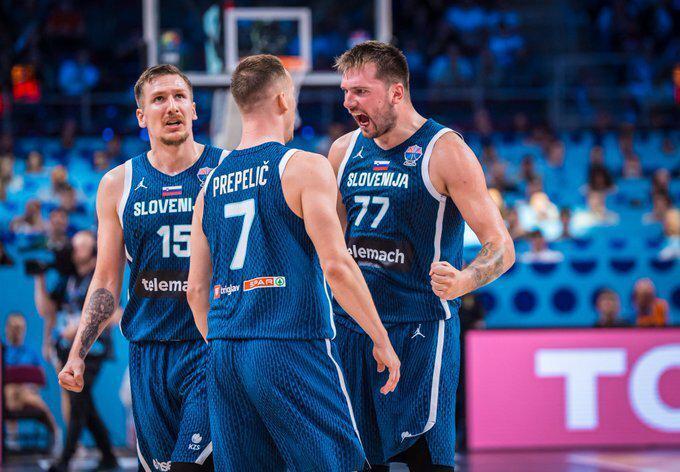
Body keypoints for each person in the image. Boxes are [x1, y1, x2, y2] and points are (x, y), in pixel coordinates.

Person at [187, 54, 400, 471]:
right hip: (289, 342)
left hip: (225, 350)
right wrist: (381, 338)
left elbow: (195, 290)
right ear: (284, 100)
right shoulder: (303, 166)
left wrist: (226, 343)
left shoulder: (209, 184)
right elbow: (337, 266)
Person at [329, 41, 514, 470]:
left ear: (396, 92)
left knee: (426, 461)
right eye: (346, 92)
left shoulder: (445, 150)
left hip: (421, 328)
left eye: (360, 91)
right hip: (354, 329)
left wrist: (464, 280)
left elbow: (502, 246)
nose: (348, 102)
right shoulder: (342, 151)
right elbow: (331, 248)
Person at [57, 64, 220, 471]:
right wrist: (78, 353)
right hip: (148, 353)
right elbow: (106, 280)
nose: (172, 106)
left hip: (209, 346)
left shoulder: (225, 170)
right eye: (159, 99)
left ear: (194, 109)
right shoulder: (118, 183)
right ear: (142, 116)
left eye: (180, 97)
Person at [33, 231, 117, 471]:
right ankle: (108, 455)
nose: (75, 248)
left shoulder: (98, 278)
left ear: (93, 251)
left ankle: (64, 461)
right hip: (67, 349)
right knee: (84, 403)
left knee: (78, 402)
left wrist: (80, 325)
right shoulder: (68, 278)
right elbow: (47, 310)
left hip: (93, 350)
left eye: (81, 245)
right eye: (74, 244)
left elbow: (114, 312)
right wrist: (39, 280)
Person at [3, 312, 60, 451]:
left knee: (23, 393)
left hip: (27, 394)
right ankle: (11, 437)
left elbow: (40, 379)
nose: (16, 332)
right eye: (13, 327)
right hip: (7, 395)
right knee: (10, 391)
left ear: (24, 330)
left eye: (20, 328)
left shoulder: (31, 354)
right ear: (7, 329)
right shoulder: (3, 352)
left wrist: (27, 387)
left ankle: (56, 433)